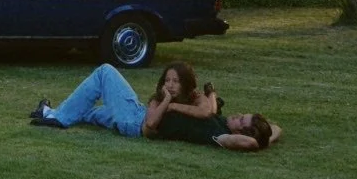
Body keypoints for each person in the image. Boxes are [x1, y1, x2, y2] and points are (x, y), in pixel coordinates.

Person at [29, 61, 280, 151]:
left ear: (239, 133)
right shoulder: (217, 118)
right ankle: (55, 112)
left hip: (136, 122)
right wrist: (265, 134)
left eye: (241, 121)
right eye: (168, 80)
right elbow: (276, 128)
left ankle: (57, 117)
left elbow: (249, 143)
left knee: (105, 72)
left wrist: (258, 141)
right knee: (90, 113)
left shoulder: (217, 134)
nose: (237, 116)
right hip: (139, 112)